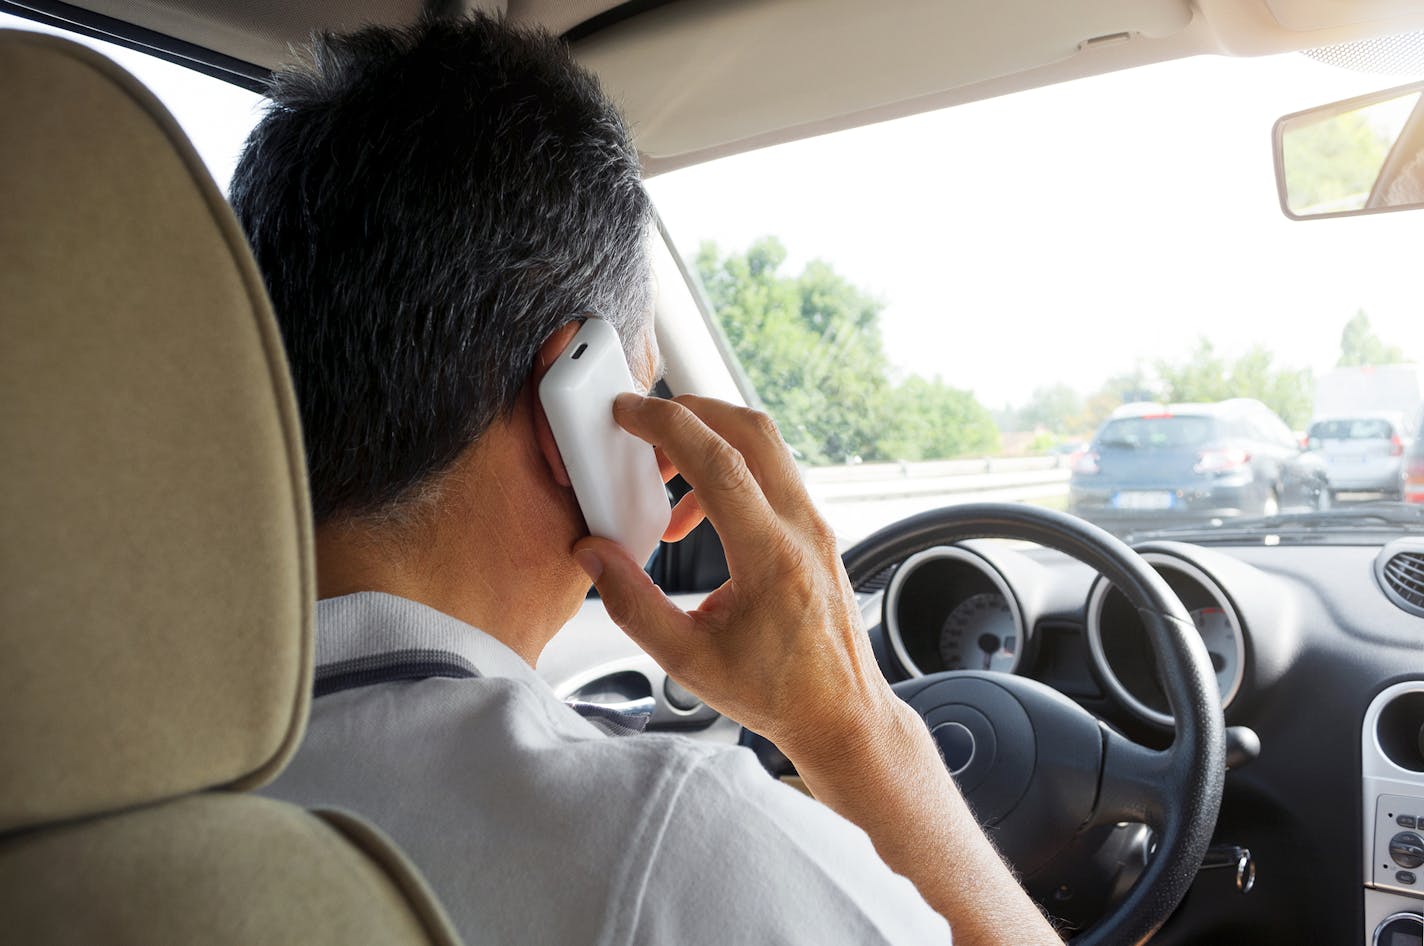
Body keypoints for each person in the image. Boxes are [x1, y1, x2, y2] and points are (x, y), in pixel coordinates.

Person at [231, 13, 1062, 946]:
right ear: (569, 416)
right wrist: (858, 731)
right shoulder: (667, 843)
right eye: (643, 380)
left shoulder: (99, 756)